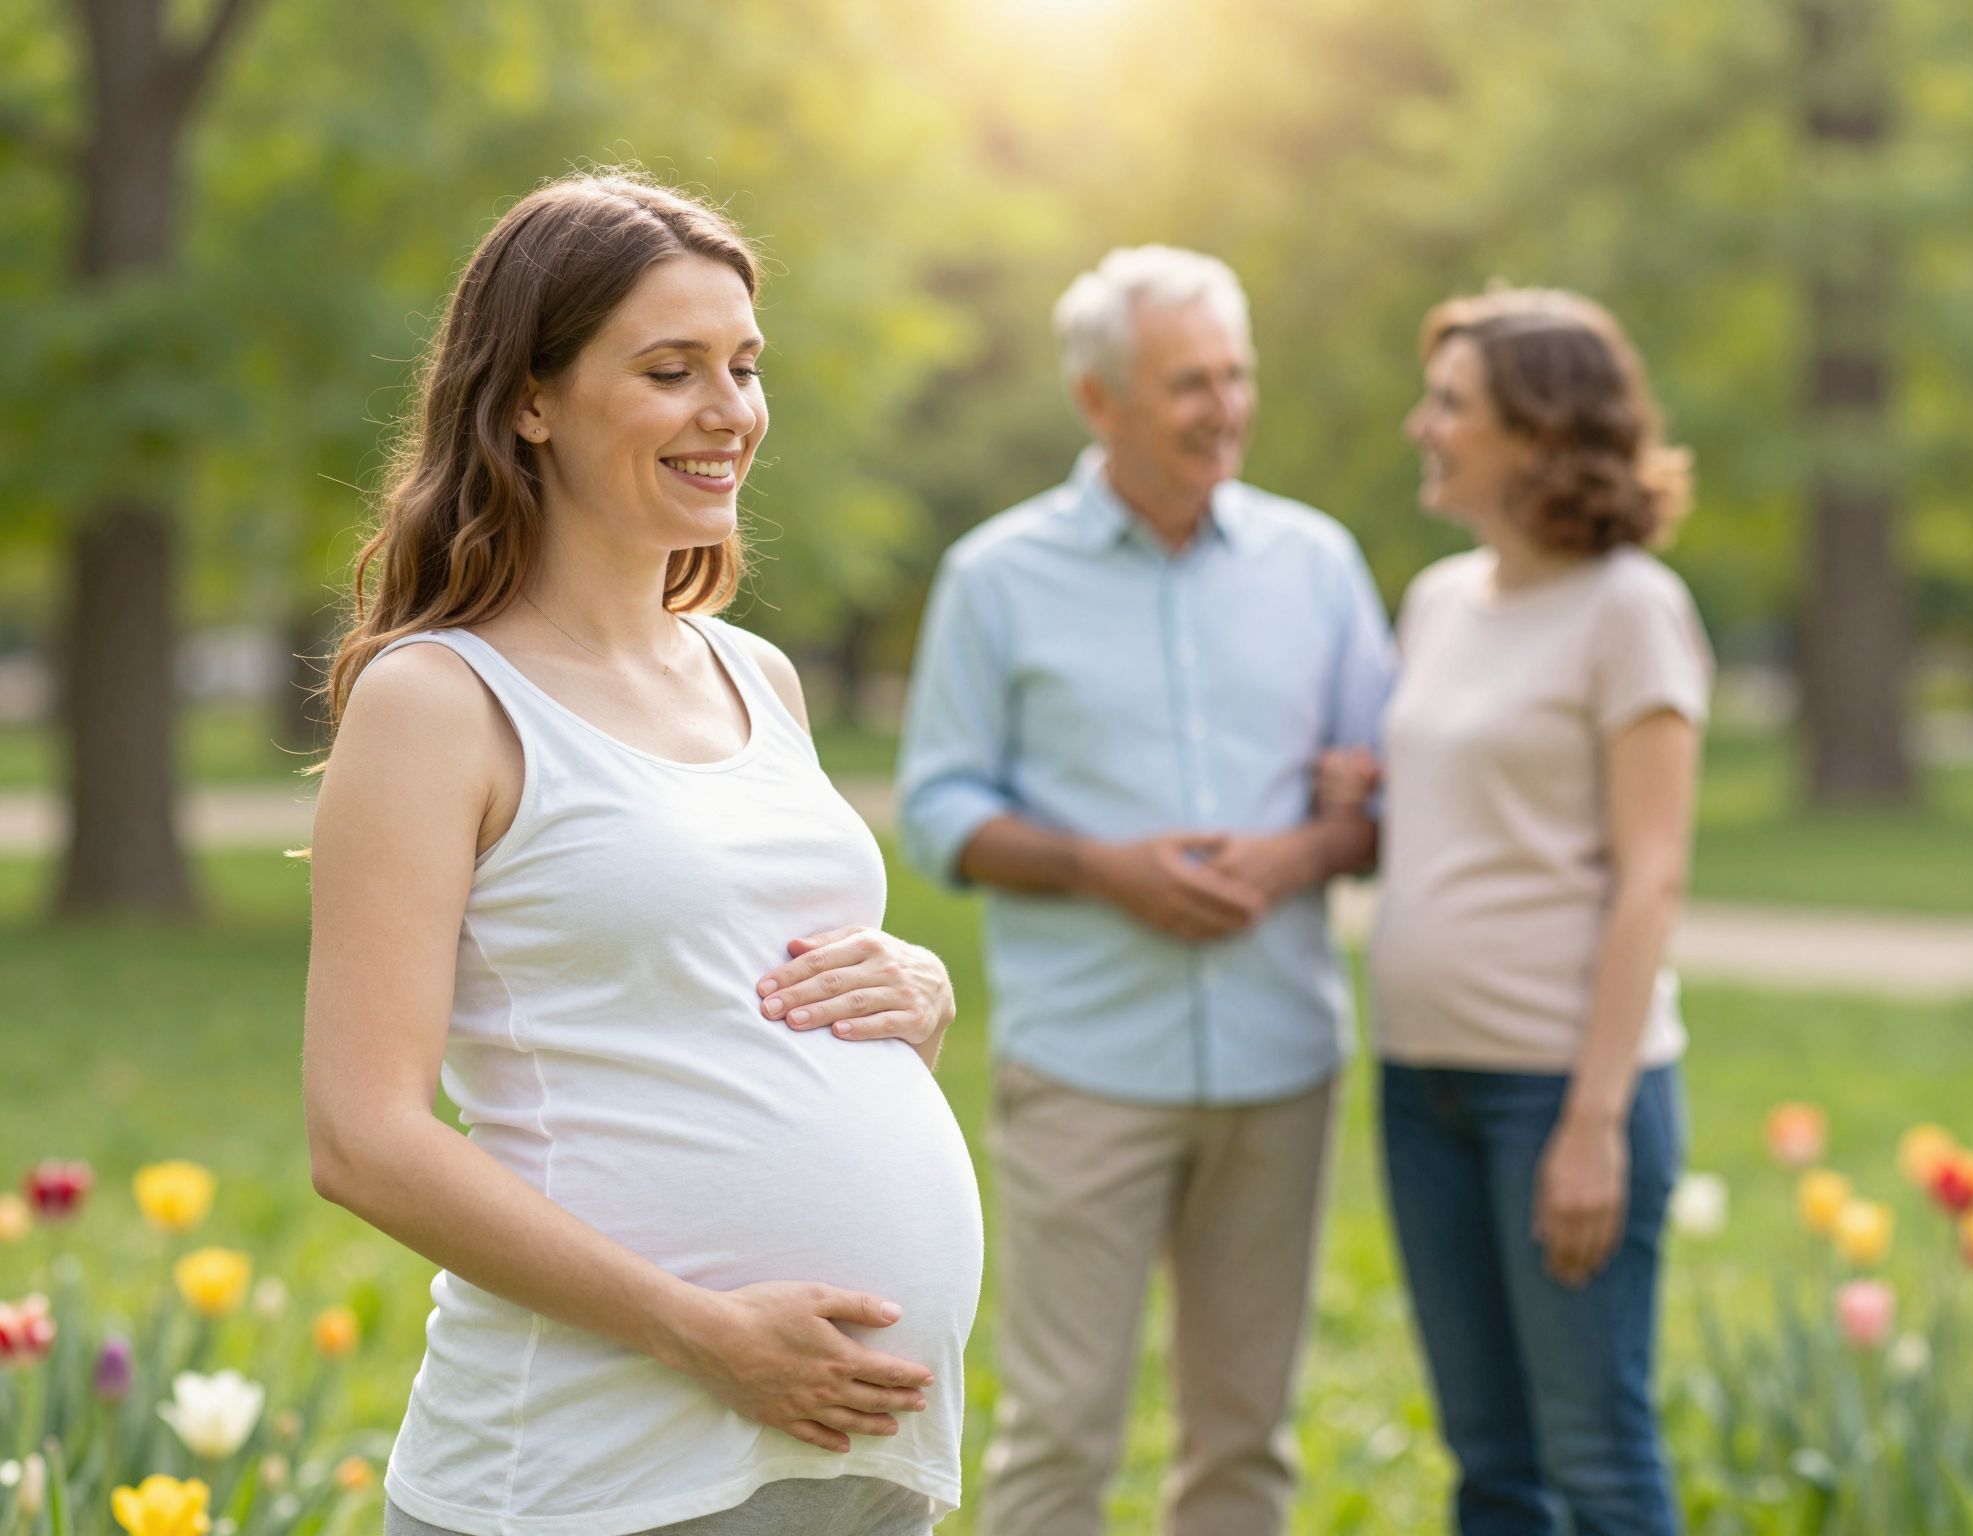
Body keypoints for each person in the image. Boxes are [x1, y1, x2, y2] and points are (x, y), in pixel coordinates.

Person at [301, 170, 982, 1536]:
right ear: (533, 401)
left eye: (744, 365)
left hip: (852, 1458)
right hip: (596, 1469)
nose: (730, 411)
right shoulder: (441, 702)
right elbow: (359, 1139)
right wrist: (697, 1331)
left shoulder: (760, 677)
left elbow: (718, 978)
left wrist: (919, 996)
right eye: (672, 370)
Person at [897, 245, 1396, 1536]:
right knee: (1061, 1434)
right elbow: (940, 805)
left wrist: (1297, 853)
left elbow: (1386, 798)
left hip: (1280, 1064)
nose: (1222, 407)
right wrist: (1097, 868)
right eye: (1187, 383)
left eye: (1235, 377)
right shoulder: (997, 577)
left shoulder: (1318, 565)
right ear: (1098, 400)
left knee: (1247, 1442)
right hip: (1087, 1067)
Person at [1319, 287, 1711, 1535]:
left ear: (1539, 432)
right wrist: (1367, 797)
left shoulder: (1629, 608)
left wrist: (1593, 1124)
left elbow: (1649, 875)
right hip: (1422, 1082)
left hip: (1557, 1093)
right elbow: (1463, 821)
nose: (1418, 425)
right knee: (1490, 1468)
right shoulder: (1439, 599)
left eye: (1450, 405)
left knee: (1594, 1462)